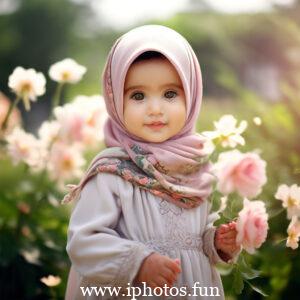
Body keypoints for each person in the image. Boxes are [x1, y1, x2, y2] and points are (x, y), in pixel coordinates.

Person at [63, 25, 240, 300]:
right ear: (114, 100)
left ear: (192, 96)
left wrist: (215, 240)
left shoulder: (195, 167)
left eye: (170, 94)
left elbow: (199, 227)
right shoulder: (112, 173)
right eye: (137, 95)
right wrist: (139, 262)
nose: (155, 108)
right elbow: (84, 242)